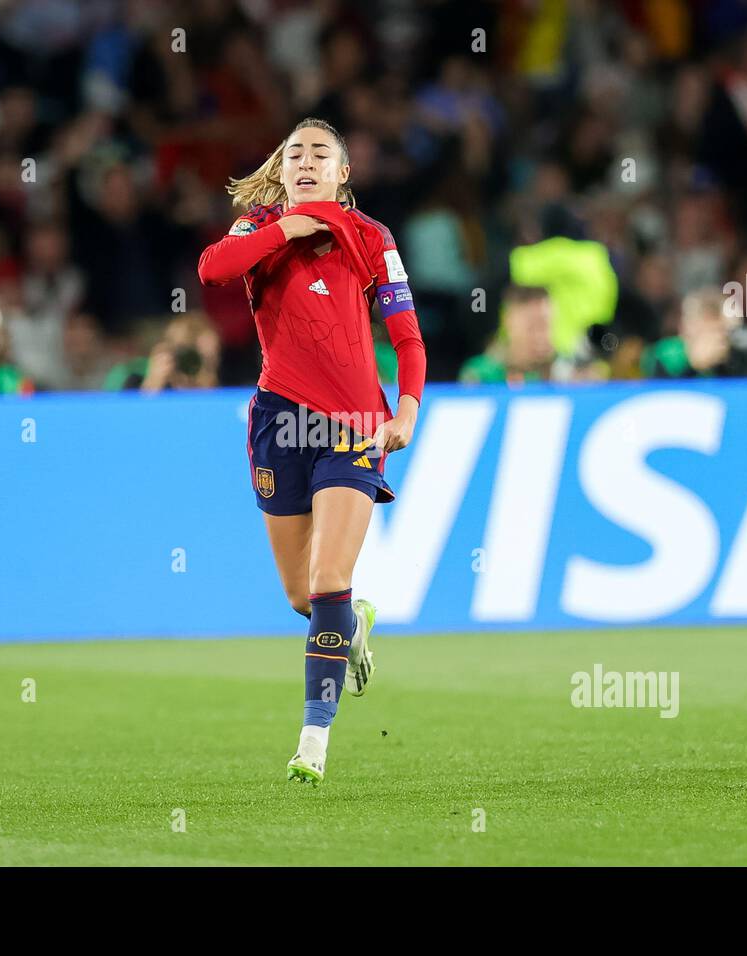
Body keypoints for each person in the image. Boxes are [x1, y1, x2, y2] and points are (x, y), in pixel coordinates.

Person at [198, 118, 427, 785]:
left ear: (342, 172)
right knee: (304, 596)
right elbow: (213, 269)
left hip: (354, 424)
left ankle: (313, 741)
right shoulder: (259, 228)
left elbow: (407, 339)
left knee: (328, 578)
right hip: (279, 423)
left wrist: (407, 410)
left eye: (319, 153)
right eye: (293, 152)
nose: (304, 160)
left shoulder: (370, 239)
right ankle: (350, 623)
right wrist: (285, 230)